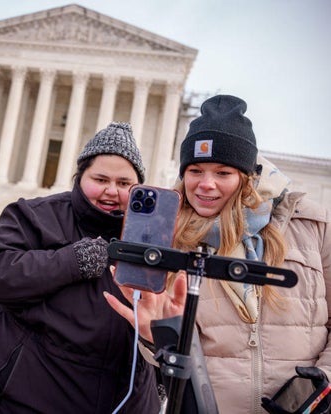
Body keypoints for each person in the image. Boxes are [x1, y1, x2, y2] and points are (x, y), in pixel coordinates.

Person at [104, 95, 331, 413]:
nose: (205, 184)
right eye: (195, 170)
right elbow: (169, 351)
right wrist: (154, 337)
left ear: (247, 177)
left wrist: (325, 382)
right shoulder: (169, 237)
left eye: (223, 172)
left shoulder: (310, 225)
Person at [0, 122, 161, 413]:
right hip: (27, 398)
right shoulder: (37, 215)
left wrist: (157, 372)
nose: (111, 191)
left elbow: (162, 315)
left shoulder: (150, 239)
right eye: (101, 179)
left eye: (123, 183)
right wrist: (72, 261)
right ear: (80, 175)